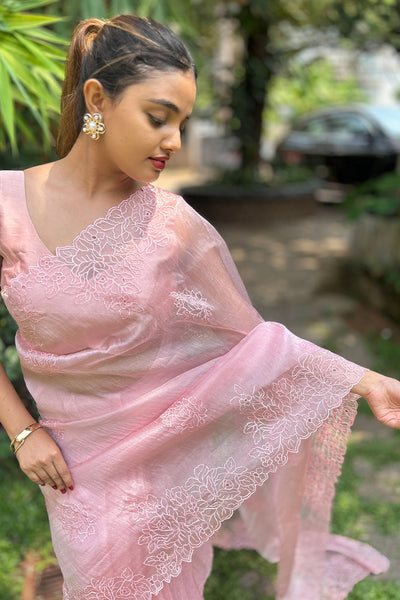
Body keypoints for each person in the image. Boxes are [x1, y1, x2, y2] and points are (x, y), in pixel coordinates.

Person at [1, 14, 400, 600]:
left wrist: (363, 379)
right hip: (73, 468)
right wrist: (22, 432)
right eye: (158, 118)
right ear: (97, 99)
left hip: (162, 468)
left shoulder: (174, 226)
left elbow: (250, 344)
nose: (175, 142)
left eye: (182, 123)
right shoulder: (7, 204)